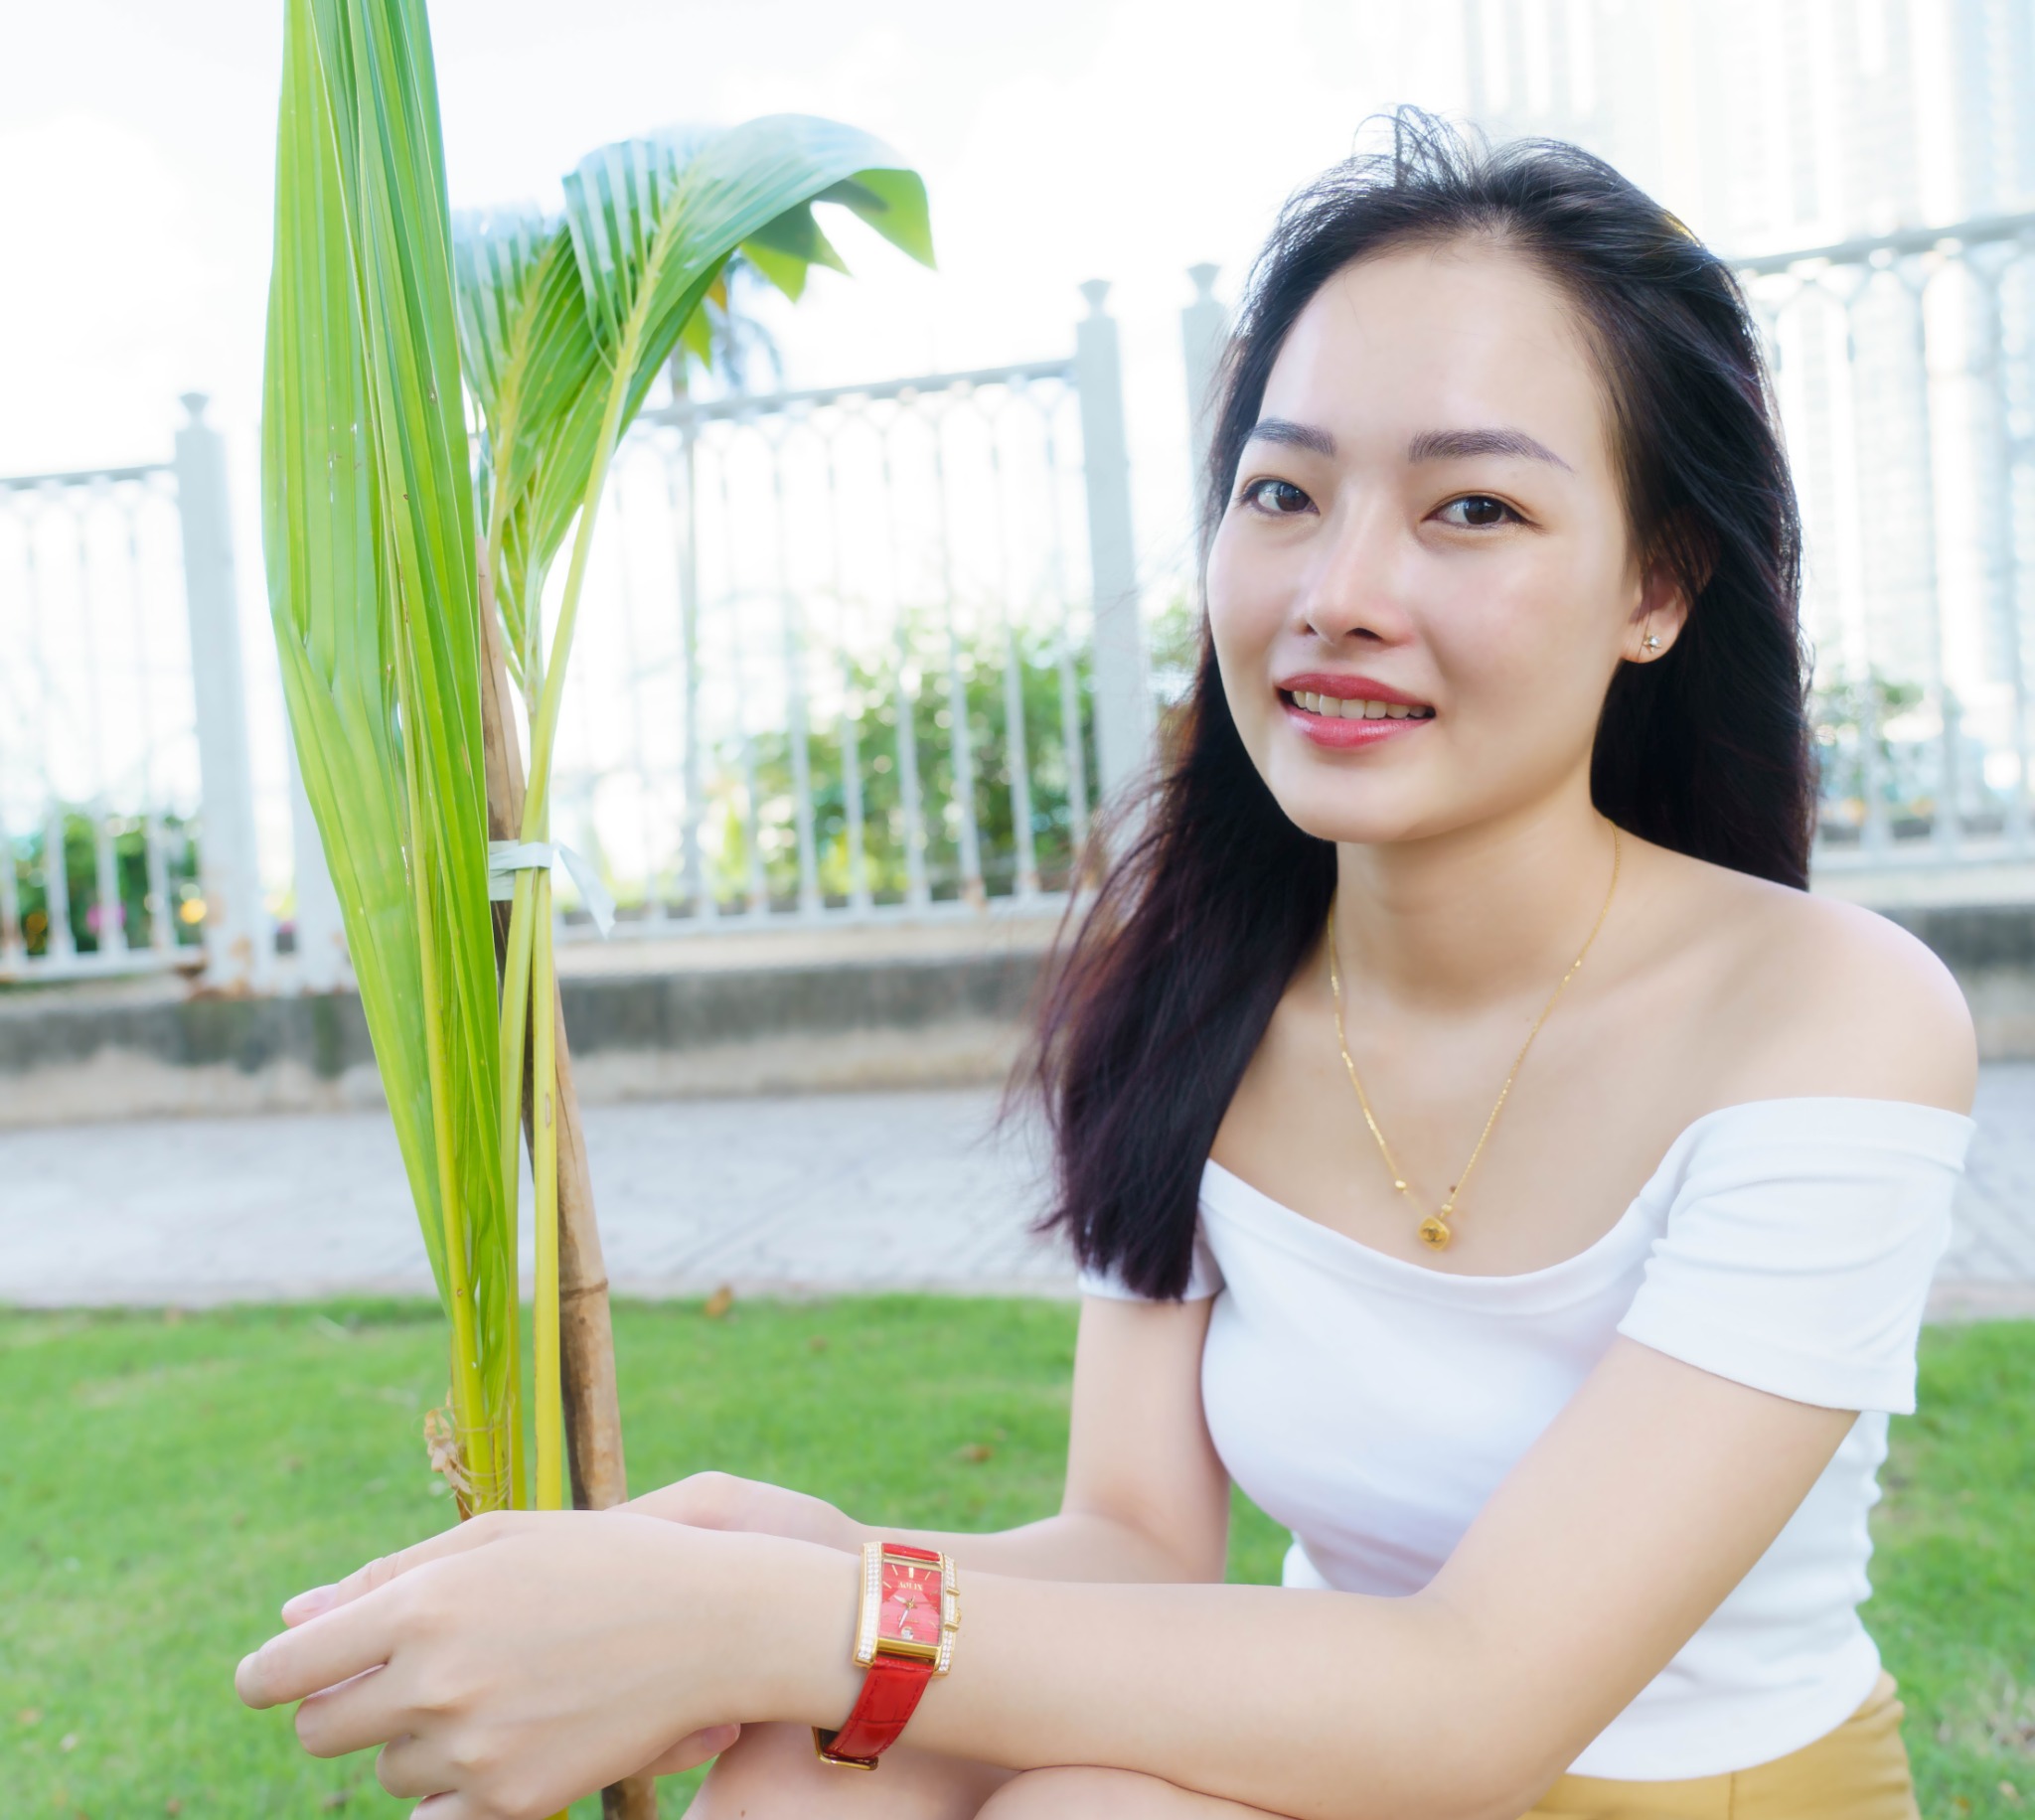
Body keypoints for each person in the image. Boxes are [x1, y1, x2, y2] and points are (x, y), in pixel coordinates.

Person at [235, 112, 1976, 1820]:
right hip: (1326, 1750)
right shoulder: (1198, 997)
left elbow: (1476, 1704)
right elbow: (1134, 1544)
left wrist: (777, 1624)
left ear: (1657, 585)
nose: (1341, 589)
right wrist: (787, 1569)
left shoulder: (1830, 1017)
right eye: (1283, 492)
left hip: (1669, 1785)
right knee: (816, 1777)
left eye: (1472, 508)